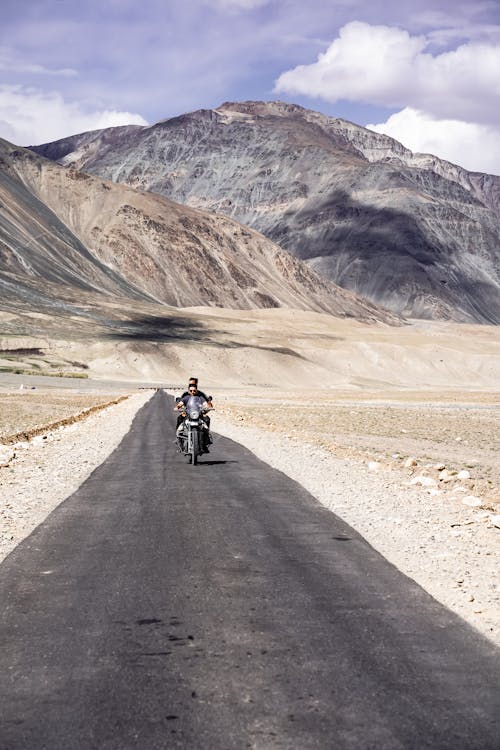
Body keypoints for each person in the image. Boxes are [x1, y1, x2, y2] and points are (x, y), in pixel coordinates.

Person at [175, 382, 212, 453]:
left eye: (194, 390)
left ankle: (206, 442)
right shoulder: (186, 398)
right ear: (189, 391)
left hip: (198, 415)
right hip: (188, 415)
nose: (193, 392)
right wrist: (177, 407)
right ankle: (180, 444)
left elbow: (205, 404)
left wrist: (207, 407)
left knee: (207, 421)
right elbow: (180, 404)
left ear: (196, 390)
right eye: (191, 390)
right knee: (179, 427)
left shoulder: (200, 398)